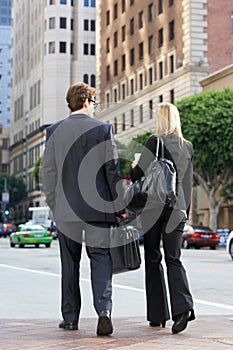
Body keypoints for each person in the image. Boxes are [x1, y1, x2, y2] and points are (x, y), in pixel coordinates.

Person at [42, 82, 125, 336]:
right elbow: (112, 170)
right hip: (98, 211)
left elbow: (48, 173)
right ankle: (104, 312)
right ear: (87, 102)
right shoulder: (103, 129)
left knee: (70, 264)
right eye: (94, 102)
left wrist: (56, 206)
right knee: (100, 259)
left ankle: (69, 318)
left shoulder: (54, 131)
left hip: (66, 212)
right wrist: (119, 206)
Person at [130, 102, 195, 334]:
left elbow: (136, 175)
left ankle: (157, 315)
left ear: (159, 120)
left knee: (153, 258)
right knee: (174, 258)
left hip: (153, 209)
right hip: (177, 210)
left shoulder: (153, 142)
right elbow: (188, 184)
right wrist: (184, 211)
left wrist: (136, 165)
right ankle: (183, 309)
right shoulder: (187, 146)